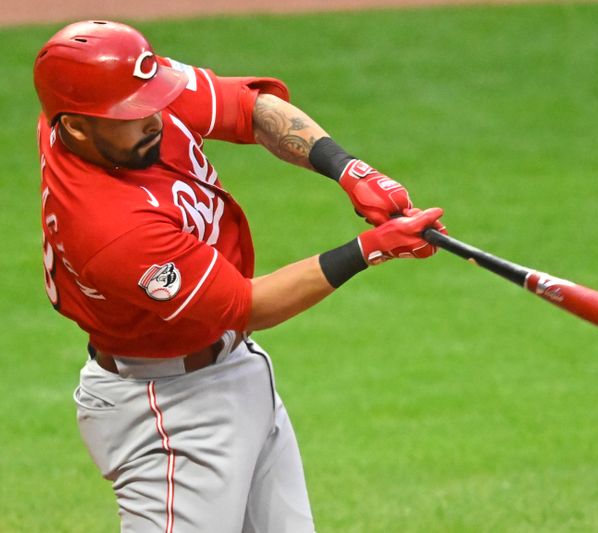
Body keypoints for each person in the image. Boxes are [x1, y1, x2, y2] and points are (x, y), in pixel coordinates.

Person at [33, 20, 445, 533]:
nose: (155, 118)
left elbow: (250, 110)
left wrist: (349, 169)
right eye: (133, 114)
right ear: (75, 127)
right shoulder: (109, 228)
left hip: (235, 369)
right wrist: (369, 249)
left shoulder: (104, 103)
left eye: (152, 98)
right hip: (170, 415)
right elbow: (246, 305)